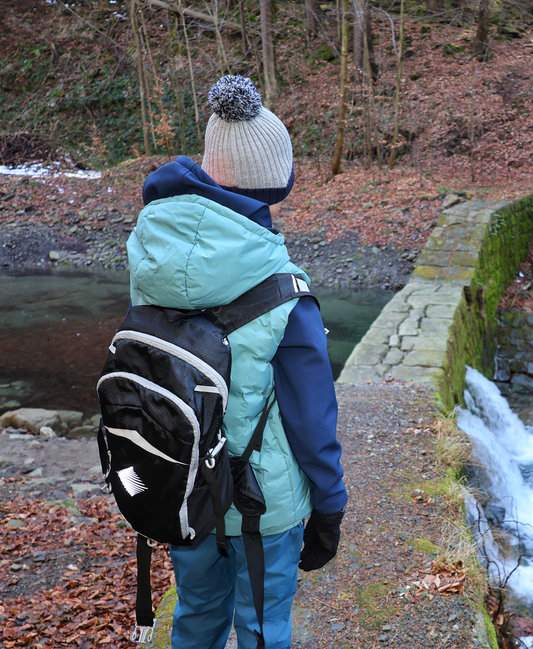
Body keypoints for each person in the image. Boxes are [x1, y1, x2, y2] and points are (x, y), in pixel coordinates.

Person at [126, 75, 347, 649]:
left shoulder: (153, 252)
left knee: (197, 616)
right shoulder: (281, 289)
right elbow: (311, 416)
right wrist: (330, 505)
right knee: (262, 628)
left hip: (179, 483)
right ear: (273, 185)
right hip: (260, 503)